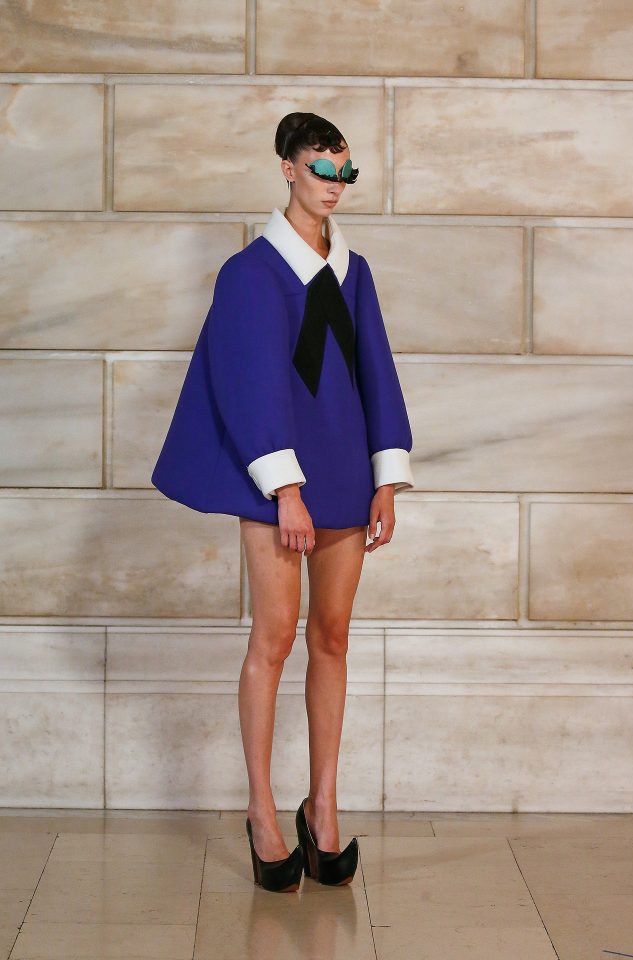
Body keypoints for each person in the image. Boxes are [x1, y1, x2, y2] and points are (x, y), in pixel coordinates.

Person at [151, 112, 414, 891]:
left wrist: (385, 478)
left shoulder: (354, 271)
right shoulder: (250, 274)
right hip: (279, 484)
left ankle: (322, 808)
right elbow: (249, 384)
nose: (336, 184)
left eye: (346, 171)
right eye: (322, 169)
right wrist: (285, 490)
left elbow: (376, 373)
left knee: (331, 637)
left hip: (346, 475)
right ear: (288, 169)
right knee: (273, 638)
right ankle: (263, 813)